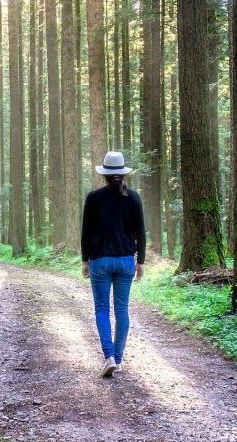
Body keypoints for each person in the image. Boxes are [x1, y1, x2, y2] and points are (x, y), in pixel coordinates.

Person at [80, 151, 146, 378]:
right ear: (122, 173)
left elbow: (86, 233)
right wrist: (141, 262)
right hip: (126, 261)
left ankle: (108, 356)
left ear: (105, 175)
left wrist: (84, 260)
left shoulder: (93, 197)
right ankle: (118, 360)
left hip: (100, 261)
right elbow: (141, 233)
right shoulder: (134, 198)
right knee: (122, 311)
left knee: (101, 309)